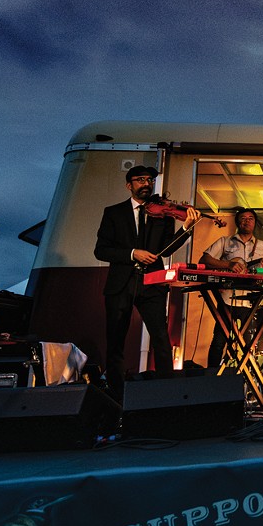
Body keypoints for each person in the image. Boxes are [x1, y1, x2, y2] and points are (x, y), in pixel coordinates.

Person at [94, 165, 200, 396]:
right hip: (121, 283)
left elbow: (165, 249)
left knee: (161, 339)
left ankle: (166, 394)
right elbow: (101, 250)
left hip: (152, 282)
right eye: (140, 179)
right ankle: (117, 395)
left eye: (150, 180)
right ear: (129, 185)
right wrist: (133, 253)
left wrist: (186, 228)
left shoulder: (162, 213)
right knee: (115, 341)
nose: (146, 183)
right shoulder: (113, 212)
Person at [199, 208, 263, 368]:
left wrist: (262, 269)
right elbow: (205, 259)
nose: (247, 221)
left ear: (255, 223)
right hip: (227, 298)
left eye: (251, 218)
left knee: (249, 343)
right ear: (238, 222)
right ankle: (212, 377)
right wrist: (229, 264)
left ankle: (247, 380)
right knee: (219, 340)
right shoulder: (225, 241)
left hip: (250, 300)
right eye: (243, 218)